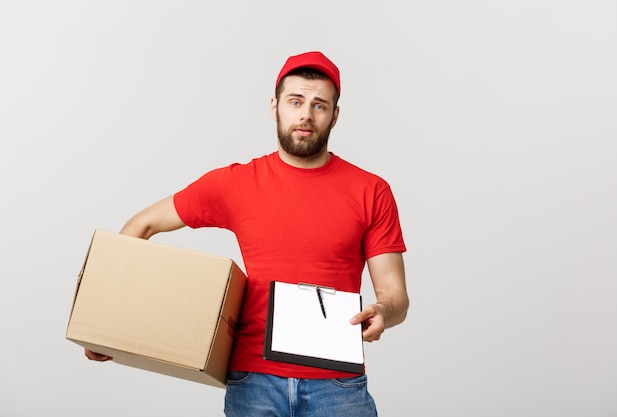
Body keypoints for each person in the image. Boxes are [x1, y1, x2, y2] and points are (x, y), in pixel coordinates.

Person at [85, 50, 409, 417]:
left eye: (319, 105)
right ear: (275, 107)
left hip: (337, 384)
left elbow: (395, 295)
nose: (305, 114)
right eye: (295, 101)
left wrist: (383, 310)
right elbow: (141, 225)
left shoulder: (371, 190)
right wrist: (107, 324)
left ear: (335, 116)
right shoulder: (237, 183)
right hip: (253, 382)